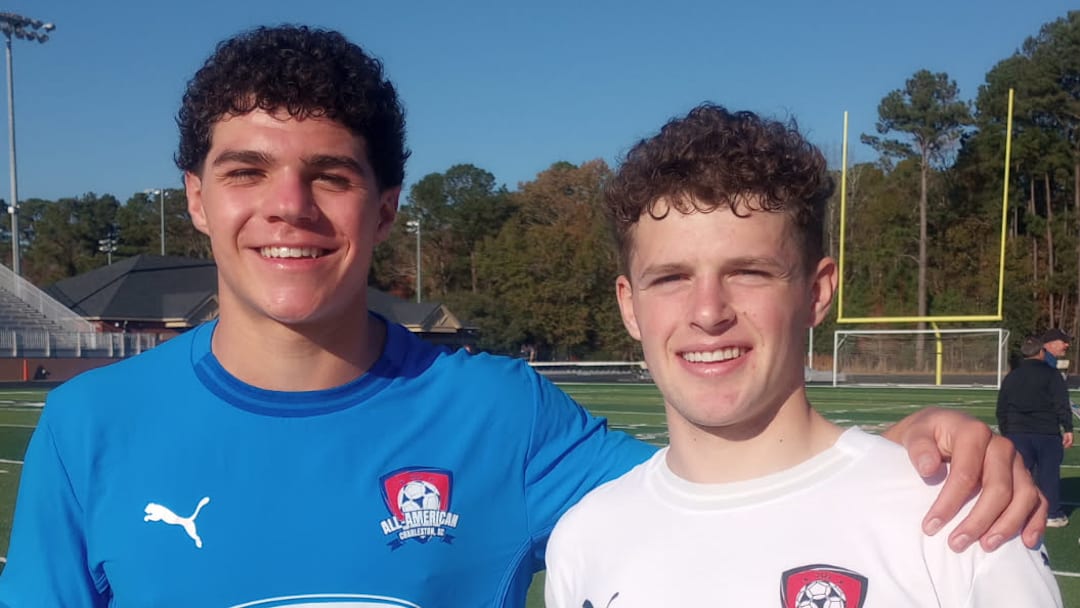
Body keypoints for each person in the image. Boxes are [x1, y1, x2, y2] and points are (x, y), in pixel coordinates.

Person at [0, 26, 1044, 608]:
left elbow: (731, 479)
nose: (288, 207)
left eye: (331, 174)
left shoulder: (501, 414)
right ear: (195, 197)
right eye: (247, 171)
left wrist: (901, 444)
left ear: (387, 205)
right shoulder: (91, 429)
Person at [545, 104, 1062, 607]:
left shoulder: (959, 517)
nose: (707, 312)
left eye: (749, 271)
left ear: (816, 293)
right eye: (671, 278)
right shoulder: (583, 538)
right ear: (630, 306)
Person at [998, 334, 1074, 528]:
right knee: (1048, 474)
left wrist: (1007, 432)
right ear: (1041, 352)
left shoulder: (1011, 376)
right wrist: (1067, 428)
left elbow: (1002, 408)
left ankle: (1018, 512)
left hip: (1017, 432)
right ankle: (1051, 514)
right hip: (1046, 432)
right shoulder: (1051, 374)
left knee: (1020, 474)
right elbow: (1061, 403)